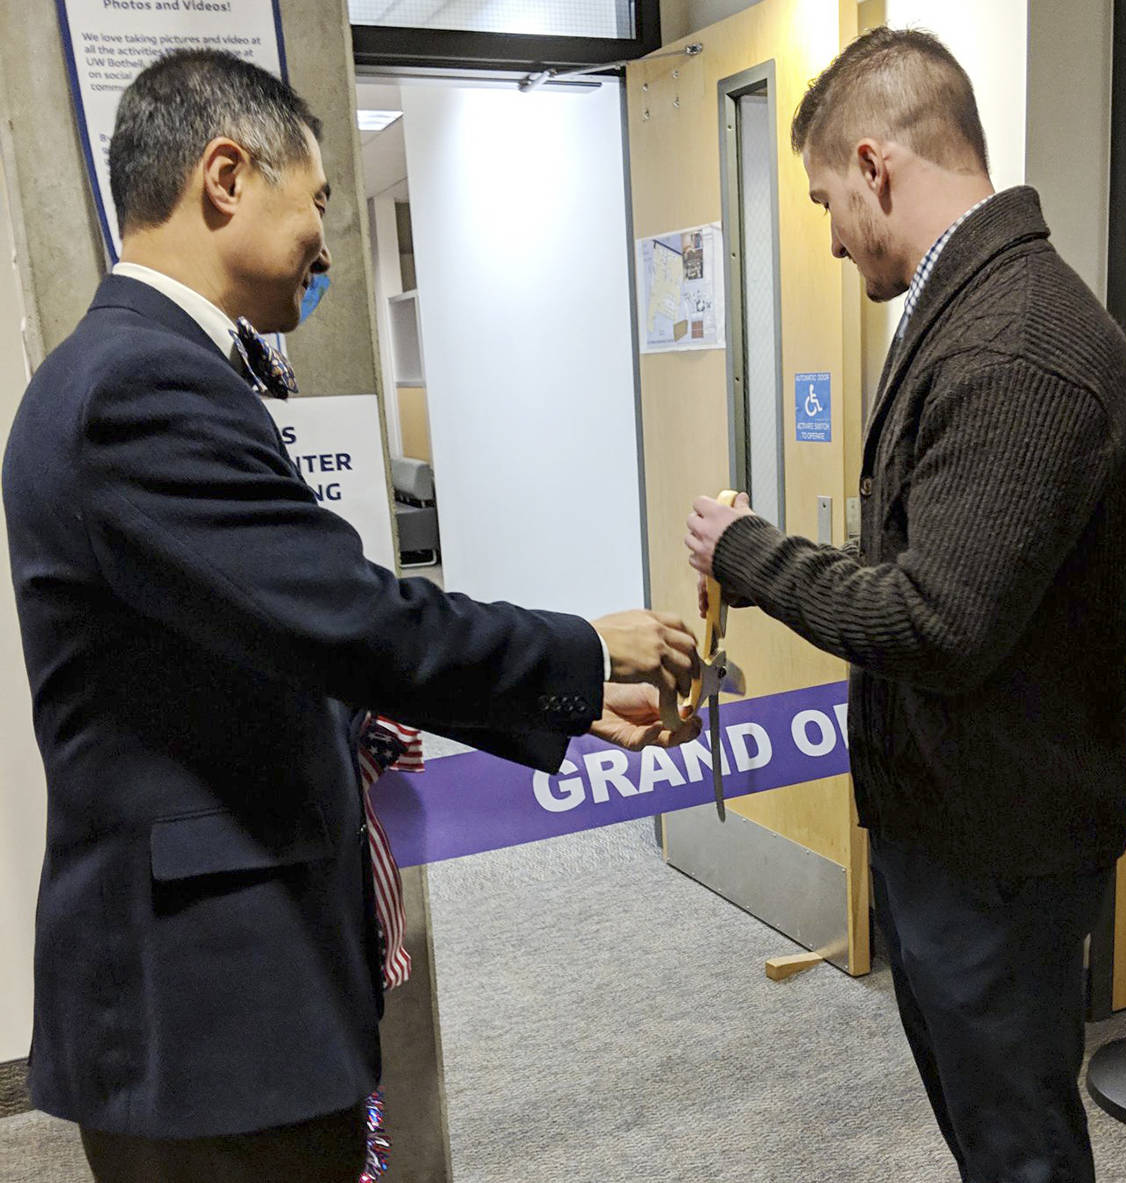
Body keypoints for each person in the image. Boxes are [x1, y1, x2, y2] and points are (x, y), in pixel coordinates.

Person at [2, 50, 699, 1182]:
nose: (330, 241)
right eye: (317, 198)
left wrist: (559, 704)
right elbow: (344, 614)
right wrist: (578, 645)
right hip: (205, 1014)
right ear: (225, 176)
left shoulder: (150, 369)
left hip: (227, 990)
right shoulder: (137, 387)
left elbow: (279, 639)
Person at [685, 27, 1126, 1183]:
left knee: (1018, 1147)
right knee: (992, 1133)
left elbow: (936, 620)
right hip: (957, 829)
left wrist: (750, 554)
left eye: (826, 197)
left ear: (877, 165)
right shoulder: (963, 308)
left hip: (1000, 850)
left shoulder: (1015, 346)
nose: (829, 234)